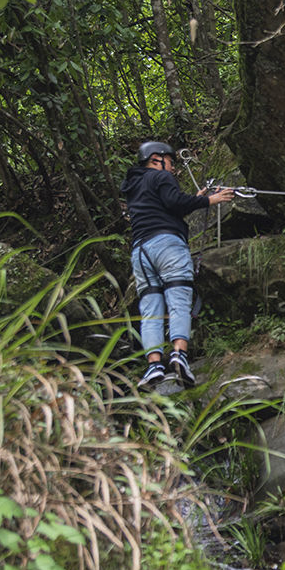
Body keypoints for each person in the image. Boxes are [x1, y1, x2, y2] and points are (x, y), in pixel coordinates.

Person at [121, 140, 234, 389]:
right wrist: (211, 200)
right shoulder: (161, 177)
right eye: (170, 162)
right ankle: (179, 356)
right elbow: (175, 203)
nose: (172, 167)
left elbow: (165, 207)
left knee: (151, 309)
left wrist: (193, 199)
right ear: (157, 159)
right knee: (178, 299)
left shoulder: (135, 186)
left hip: (140, 252)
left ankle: (153, 367)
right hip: (167, 246)